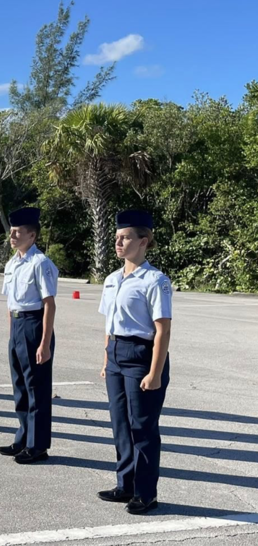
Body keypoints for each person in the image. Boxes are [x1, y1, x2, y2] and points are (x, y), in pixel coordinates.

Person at [97, 210, 172, 515]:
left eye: (125, 237)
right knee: (120, 425)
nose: (118, 241)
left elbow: (163, 329)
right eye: (117, 236)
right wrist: (106, 359)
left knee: (142, 428)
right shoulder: (113, 279)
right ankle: (125, 484)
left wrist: (155, 372)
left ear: (143, 241)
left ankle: (145, 492)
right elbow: (109, 325)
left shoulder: (155, 280)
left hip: (142, 357)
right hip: (116, 355)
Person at [0, 207, 58, 464]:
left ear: (31, 235)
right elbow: (11, 303)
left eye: (17, 232)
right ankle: (22, 438)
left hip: (35, 325)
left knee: (36, 389)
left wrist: (44, 343)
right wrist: (12, 335)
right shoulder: (12, 263)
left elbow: (49, 304)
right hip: (18, 326)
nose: (12, 236)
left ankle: (38, 445)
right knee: (20, 387)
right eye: (11, 231)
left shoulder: (40, 263)